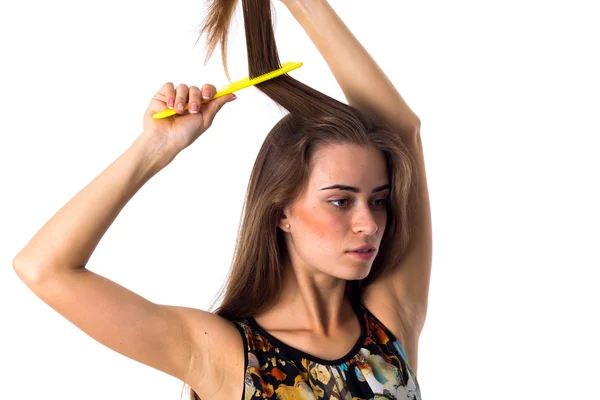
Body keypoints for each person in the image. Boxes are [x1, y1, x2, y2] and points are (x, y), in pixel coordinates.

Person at [12, 0, 431, 399]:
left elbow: (401, 129)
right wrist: (154, 149)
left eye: (378, 200)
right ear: (281, 211)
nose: (370, 223)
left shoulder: (389, 322)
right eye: (341, 201)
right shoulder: (221, 353)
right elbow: (44, 268)